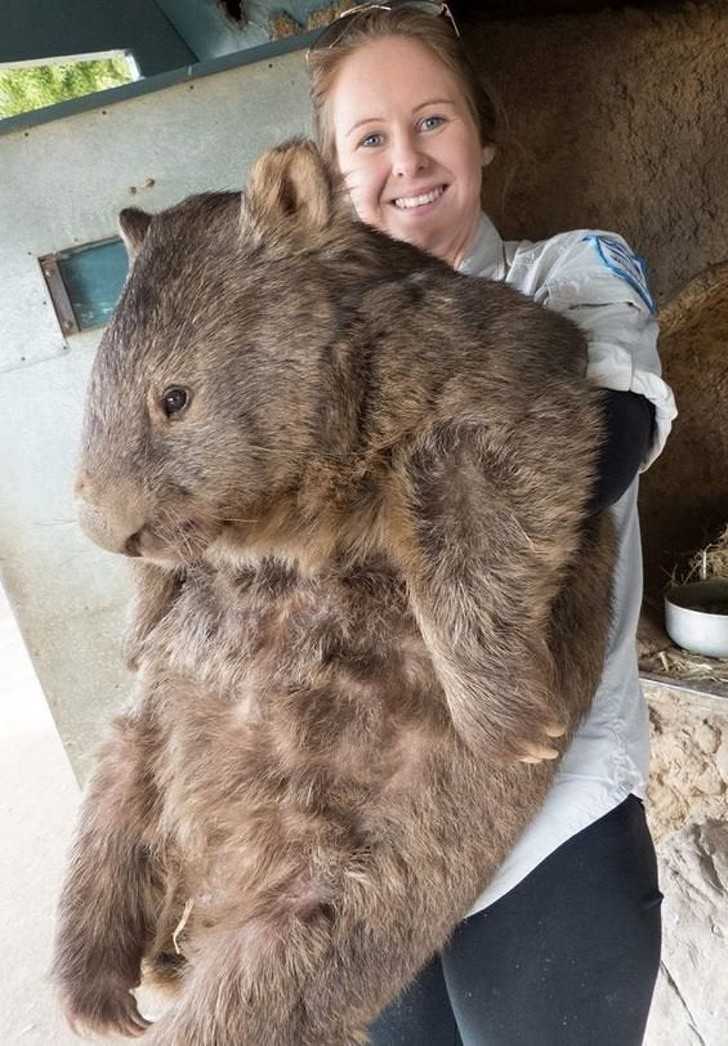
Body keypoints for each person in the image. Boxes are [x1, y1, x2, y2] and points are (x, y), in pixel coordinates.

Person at [305, 4, 677, 1045]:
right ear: (333, 175)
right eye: (368, 138)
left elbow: (603, 439)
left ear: (481, 134)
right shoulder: (317, 348)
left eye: (432, 120)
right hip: (371, 852)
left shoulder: (569, 273)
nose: (406, 159)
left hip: (546, 828)